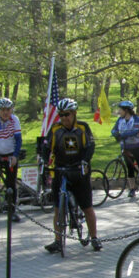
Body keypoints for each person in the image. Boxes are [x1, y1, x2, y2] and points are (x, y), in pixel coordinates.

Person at [44, 97, 102, 252]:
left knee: (87, 207)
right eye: (61, 115)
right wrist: (44, 162)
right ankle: (57, 240)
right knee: (57, 208)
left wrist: (85, 161)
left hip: (79, 171)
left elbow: (90, 146)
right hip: (61, 170)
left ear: (74, 113)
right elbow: (46, 146)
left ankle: (94, 237)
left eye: (67, 114)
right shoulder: (56, 129)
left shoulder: (82, 127)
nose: (64, 118)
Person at [111, 100, 139, 199]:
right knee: (129, 169)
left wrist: (124, 135)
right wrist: (115, 134)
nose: (119, 111)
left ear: (126, 110)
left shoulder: (136, 119)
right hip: (126, 147)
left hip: (137, 146)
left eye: (121, 110)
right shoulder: (120, 120)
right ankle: (132, 188)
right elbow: (114, 129)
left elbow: (135, 130)